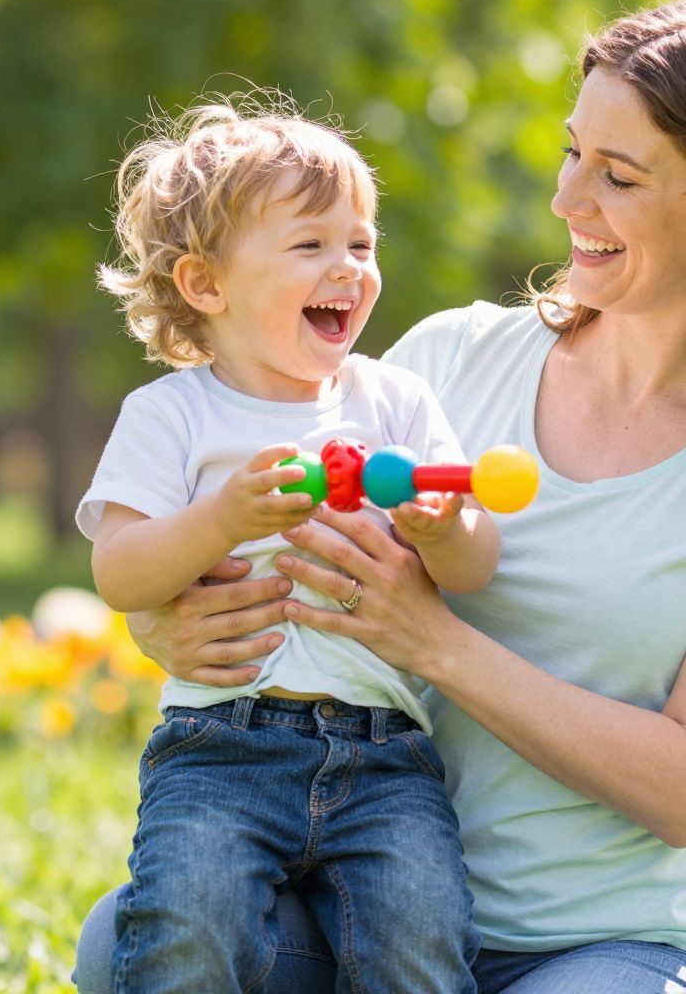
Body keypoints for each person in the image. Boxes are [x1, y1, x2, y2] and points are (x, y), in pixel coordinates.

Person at [75, 0, 686, 993]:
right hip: (362, 909)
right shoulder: (446, 358)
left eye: (617, 176)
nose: (569, 201)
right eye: (573, 154)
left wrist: (430, 640)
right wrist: (170, 627)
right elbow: (252, 516)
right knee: (124, 941)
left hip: (606, 945)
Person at [79, 103, 495, 993]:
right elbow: (119, 571)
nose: (347, 267)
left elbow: (476, 561)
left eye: (361, 243)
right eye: (310, 246)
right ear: (205, 284)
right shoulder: (171, 416)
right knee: (185, 929)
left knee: (422, 942)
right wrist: (222, 520)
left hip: (385, 755)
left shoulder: (397, 403)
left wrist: (441, 528)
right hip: (222, 748)